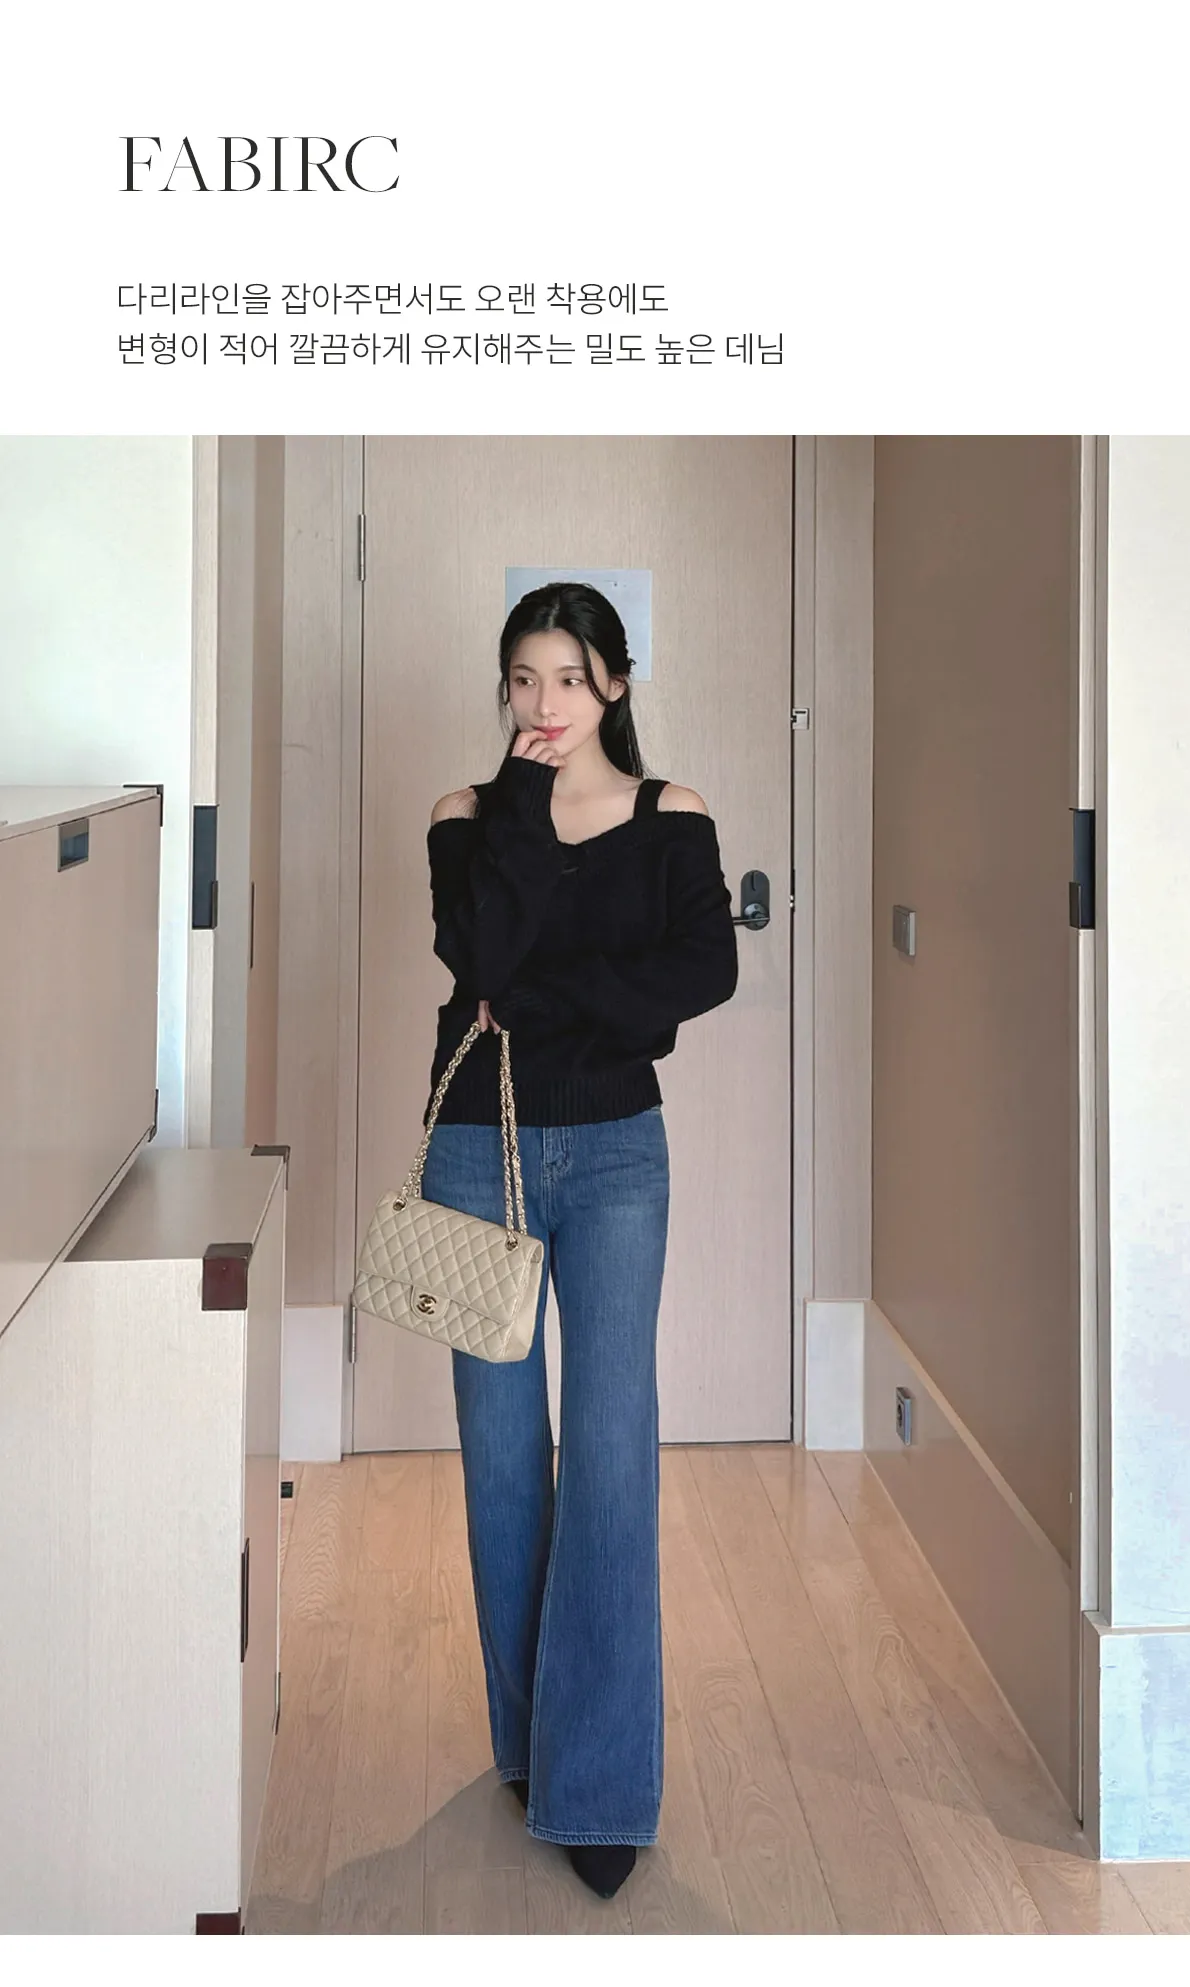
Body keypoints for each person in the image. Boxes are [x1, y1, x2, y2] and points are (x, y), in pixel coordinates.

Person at [421, 580, 738, 1899]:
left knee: (609, 1449)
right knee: (502, 1458)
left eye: (567, 676)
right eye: (522, 678)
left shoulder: (673, 816)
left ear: (615, 681)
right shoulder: (466, 818)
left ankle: (598, 1786)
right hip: (472, 1156)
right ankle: (529, 1748)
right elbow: (479, 956)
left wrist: (560, 1006)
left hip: (615, 1154)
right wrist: (523, 808)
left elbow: (702, 972)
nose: (543, 702)